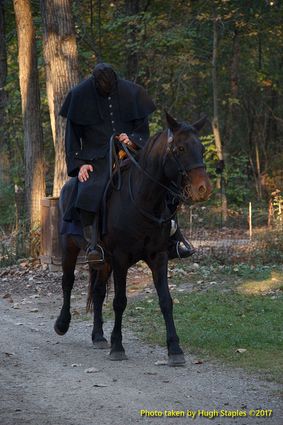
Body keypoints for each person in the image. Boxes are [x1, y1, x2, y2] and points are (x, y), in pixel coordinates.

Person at [60, 63, 194, 265]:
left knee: (165, 185)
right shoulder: (79, 96)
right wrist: (80, 165)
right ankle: (94, 245)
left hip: (132, 155)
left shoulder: (132, 92)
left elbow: (143, 131)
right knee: (90, 189)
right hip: (97, 160)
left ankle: (173, 239)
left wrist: (132, 139)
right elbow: (72, 139)